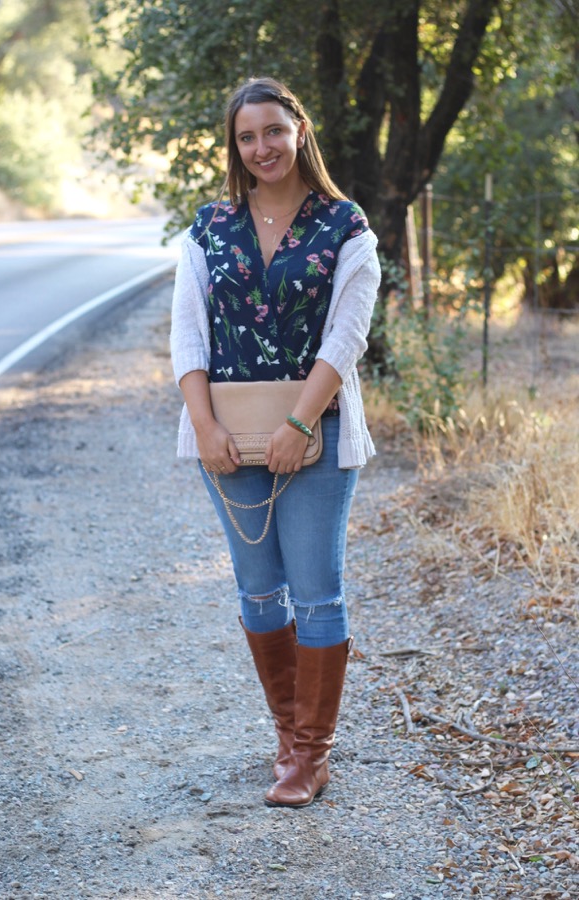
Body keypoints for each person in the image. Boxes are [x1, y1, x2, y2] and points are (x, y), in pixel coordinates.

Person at [170, 76, 381, 808]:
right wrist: (204, 427)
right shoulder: (209, 227)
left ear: (299, 131)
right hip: (225, 432)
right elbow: (187, 334)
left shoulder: (345, 227)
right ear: (235, 147)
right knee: (258, 590)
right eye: (247, 136)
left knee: (317, 593)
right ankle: (289, 738)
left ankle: (311, 757)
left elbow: (347, 336)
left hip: (317, 430)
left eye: (273, 131)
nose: (262, 147)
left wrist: (298, 424)